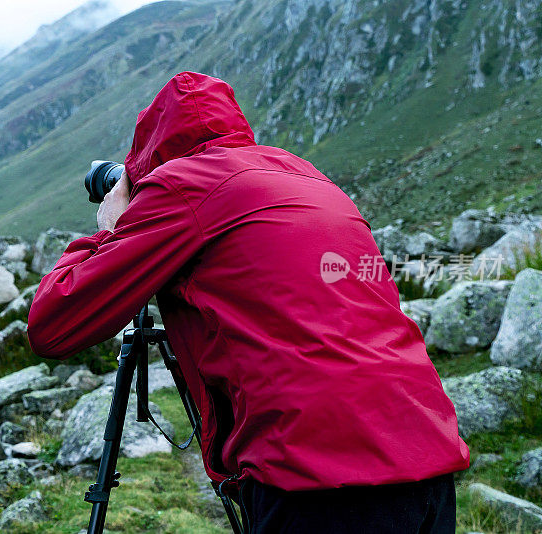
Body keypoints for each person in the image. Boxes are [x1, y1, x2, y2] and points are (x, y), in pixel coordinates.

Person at [26, 71, 469, 533]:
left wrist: (111, 227)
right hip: (424, 454)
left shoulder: (182, 185)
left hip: (319, 479)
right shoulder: (308, 177)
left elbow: (51, 326)